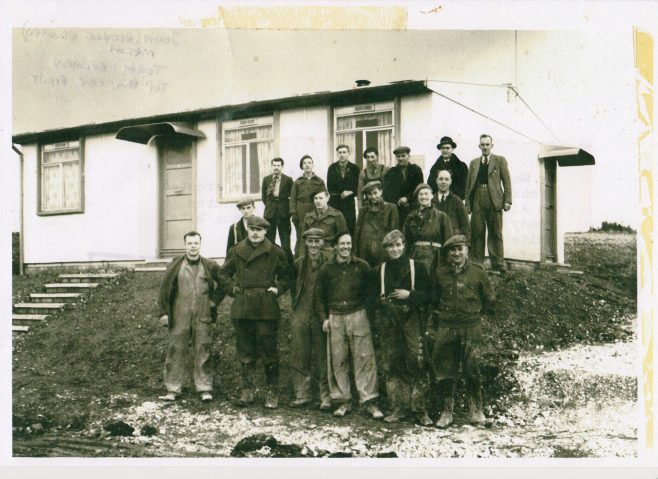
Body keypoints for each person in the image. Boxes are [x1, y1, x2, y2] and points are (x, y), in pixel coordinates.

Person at [220, 216, 291, 409]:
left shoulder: (275, 251)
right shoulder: (236, 251)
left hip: (266, 306)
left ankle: (272, 392)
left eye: (259, 230)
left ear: (265, 232)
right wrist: (233, 289)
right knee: (245, 348)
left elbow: (287, 275)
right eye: (252, 229)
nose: (255, 233)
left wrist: (278, 288)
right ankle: (247, 390)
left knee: (268, 349)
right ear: (248, 229)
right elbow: (223, 274)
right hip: (243, 305)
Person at [428, 234, 495, 428]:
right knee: (444, 370)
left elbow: (489, 299)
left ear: (467, 250)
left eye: (460, 249)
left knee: (472, 369)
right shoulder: (441, 273)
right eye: (453, 250)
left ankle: (476, 411)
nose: (457, 253)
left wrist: (476, 316)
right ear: (448, 253)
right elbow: (434, 299)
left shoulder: (478, 272)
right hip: (447, 327)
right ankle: (447, 412)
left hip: (470, 327)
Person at [316, 232, 384, 419]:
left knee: (364, 358)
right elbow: (319, 297)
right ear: (335, 247)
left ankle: (370, 401)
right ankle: (342, 401)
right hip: (335, 316)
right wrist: (324, 318)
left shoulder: (362, 266)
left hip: (358, 314)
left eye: (348, 244)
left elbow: (371, 293)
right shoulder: (326, 269)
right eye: (342, 244)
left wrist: (367, 315)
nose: (346, 247)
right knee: (338, 359)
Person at [157, 231, 226, 402]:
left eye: (196, 243)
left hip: (203, 313)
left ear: (200, 244)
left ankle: (204, 389)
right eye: (189, 243)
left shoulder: (210, 265)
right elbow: (164, 290)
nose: (193, 246)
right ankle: (172, 389)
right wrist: (163, 313)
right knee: (176, 350)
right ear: (185, 245)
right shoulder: (175, 265)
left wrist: (214, 301)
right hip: (180, 312)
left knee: (203, 349)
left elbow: (225, 284)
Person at [375, 230, 432, 426]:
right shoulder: (379, 270)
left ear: (404, 245)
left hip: (412, 320)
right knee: (392, 364)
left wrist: (410, 295)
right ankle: (399, 407)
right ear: (386, 249)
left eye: (398, 244)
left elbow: (431, 295)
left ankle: (421, 409)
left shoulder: (418, 267)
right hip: (389, 323)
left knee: (418, 362)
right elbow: (370, 299)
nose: (395, 249)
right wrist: (381, 303)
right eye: (390, 246)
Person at [289, 228, 332, 410]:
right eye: (310, 241)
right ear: (305, 243)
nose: (314, 245)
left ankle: (326, 397)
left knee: (323, 355)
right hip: (302, 311)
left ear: (322, 243)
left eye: (317, 241)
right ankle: (302, 394)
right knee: (300, 352)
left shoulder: (329, 263)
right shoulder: (299, 263)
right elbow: (292, 286)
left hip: (320, 313)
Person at [464, 134, 512, 272]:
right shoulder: (474, 163)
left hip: (494, 199)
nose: (485, 147)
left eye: (487, 144)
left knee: (495, 233)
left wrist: (507, 200)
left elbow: (507, 182)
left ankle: (498, 265)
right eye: (482, 145)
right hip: (478, 197)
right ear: (479, 146)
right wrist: (468, 203)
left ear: (492, 145)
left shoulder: (499, 160)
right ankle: (476, 265)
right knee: (477, 232)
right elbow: (468, 185)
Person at [402, 183, 453, 276]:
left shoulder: (441, 216)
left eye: (426, 194)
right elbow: (405, 240)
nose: (423, 197)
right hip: (415, 255)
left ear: (431, 196)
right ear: (417, 197)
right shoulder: (411, 217)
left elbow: (449, 241)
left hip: (434, 257)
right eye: (420, 194)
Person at [354, 180, 399, 267]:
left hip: (382, 252)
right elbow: (357, 233)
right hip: (364, 252)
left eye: (375, 193)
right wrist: (355, 254)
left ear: (381, 192)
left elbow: (394, 233)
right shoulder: (363, 210)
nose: (373, 196)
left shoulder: (391, 208)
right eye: (369, 194)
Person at [289, 155, 326, 256]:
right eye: (304, 163)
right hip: (301, 212)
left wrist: (322, 212)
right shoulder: (297, 182)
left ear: (313, 165)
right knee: (301, 236)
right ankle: (300, 259)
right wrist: (293, 214)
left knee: (316, 234)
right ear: (302, 166)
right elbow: (292, 199)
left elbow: (324, 197)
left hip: (315, 211)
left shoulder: (319, 181)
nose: (307, 165)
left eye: (309, 162)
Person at [262, 157, 293, 261]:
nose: (276, 167)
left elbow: (291, 197)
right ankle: (271, 267)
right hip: (270, 215)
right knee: (269, 242)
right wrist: (271, 207)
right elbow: (264, 197)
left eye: (278, 165)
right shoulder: (266, 179)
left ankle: (288, 269)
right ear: (271, 166)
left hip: (283, 215)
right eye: (274, 165)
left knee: (285, 244)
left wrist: (285, 209)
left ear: (282, 167)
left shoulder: (288, 180)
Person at [383, 146, 424, 225]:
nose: (401, 158)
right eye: (398, 156)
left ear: (408, 156)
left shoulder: (416, 170)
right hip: (397, 208)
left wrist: (407, 198)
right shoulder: (391, 172)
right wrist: (396, 201)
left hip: (413, 207)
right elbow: (387, 191)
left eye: (403, 156)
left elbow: (419, 188)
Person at [301, 189, 348, 255]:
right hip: (312, 252)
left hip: (330, 253)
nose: (318, 201)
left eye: (321, 198)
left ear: (327, 198)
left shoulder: (337, 215)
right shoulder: (308, 216)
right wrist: (303, 257)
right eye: (315, 198)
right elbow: (303, 241)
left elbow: (343, 238)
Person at [327, 144, 360, 235]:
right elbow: (330, 187)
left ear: (349, 153)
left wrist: (350, 192)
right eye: (340, 152)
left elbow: (358, 187)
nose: (342, 154)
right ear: (337, 154)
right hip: (335, 203)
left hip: (348, 203)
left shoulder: (355, 168)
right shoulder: (332, 168)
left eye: (344, 152)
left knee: (349, 228)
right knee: (334, 227)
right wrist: (340, 193)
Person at [433, 170, 470, 240]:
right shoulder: (431, 201)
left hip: (452, 243)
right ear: (436, 181)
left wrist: (465, 245)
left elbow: (465, 227)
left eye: (446, 179)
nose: (443, 182)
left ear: (450, 182)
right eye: (440, 179)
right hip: (435, 243)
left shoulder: (457, 201)